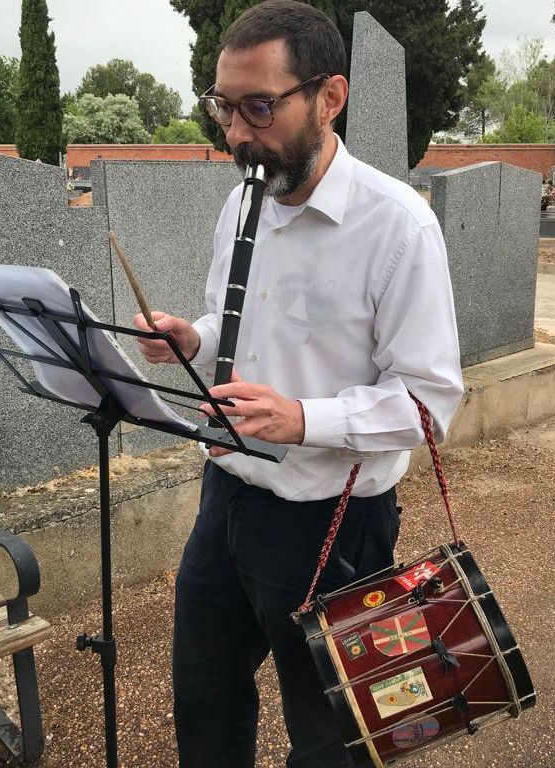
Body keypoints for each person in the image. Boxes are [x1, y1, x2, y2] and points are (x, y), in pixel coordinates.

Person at [134, 2, 464, 766]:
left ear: (329, 97)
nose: (238, 133)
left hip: (333, 523)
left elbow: (429, 403)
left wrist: (302, 419)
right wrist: (196, 338)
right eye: (224, 107)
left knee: (331, 736)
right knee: (205, 699)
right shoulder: (243, 197)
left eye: (259, 108)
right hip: (227, 499)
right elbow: (236, 324)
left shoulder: (397, 227)